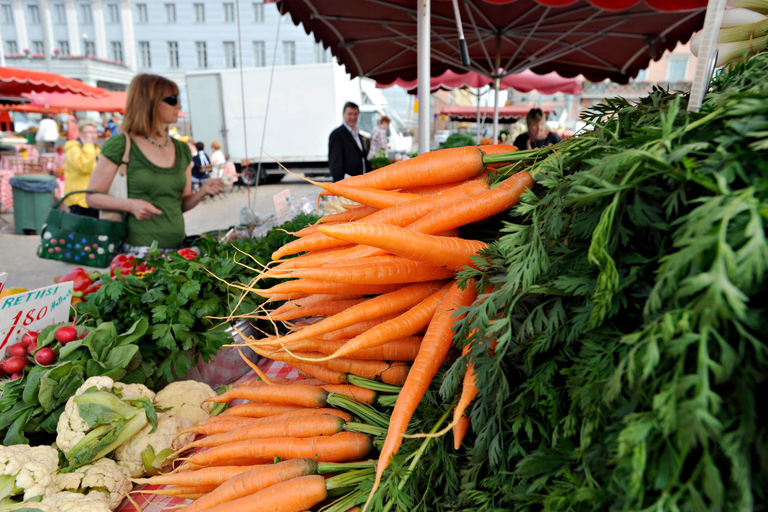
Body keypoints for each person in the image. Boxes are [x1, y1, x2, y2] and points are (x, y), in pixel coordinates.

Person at [85, 74, 224, 256]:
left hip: (178, 251)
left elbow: (178, 205)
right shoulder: (122, 145)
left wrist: (203, 191)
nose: (179, 106)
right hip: (137, 254)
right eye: (172, 100)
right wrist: (131, 205)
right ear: (149, 103)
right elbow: (92, 197)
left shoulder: (181, 149)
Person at [63, 120, 100, 218]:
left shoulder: (95, 149)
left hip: (92, 197)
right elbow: (84, 167)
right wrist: (88, 145)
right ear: (81, 133)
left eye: (95, 132)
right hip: (79, 198)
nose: (92, 135)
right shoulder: (74, 148)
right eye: (89, 132)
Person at [328, 101, 371, 182]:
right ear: (343, 114)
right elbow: (335, 165)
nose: (353, 117)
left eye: (355, 114)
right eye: (350, 114)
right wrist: (340, 188)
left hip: (362, 183)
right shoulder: (337, 134)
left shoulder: (357, 134)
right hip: (348, 186)